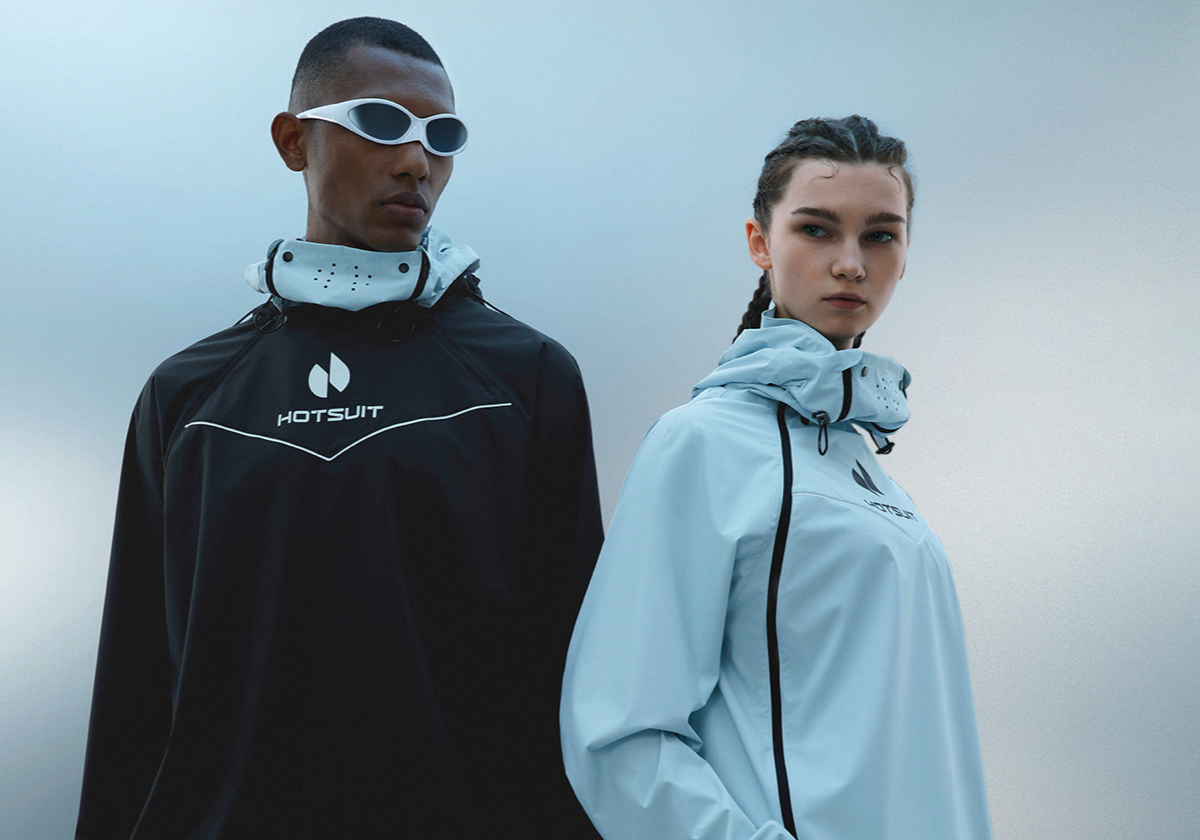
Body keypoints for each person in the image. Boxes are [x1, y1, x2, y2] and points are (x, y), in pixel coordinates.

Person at [76, 17, 603, 839]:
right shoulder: (187, 398)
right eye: (381, 123)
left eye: (442, 136)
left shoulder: (527, 378)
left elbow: (578, 673)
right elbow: (136, 682)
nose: (416, 160)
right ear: (294, 141)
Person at [560, 116, 993, 840]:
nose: (850, 263)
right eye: (816, 229)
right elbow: (619, 738)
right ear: (760, 242)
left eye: (880, 235)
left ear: (905, 254)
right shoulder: (702, 442)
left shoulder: (863, 462)